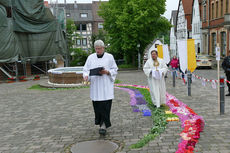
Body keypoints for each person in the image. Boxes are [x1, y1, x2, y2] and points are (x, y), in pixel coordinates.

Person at [83, 40, 118, 135]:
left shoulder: (109, 57)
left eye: (99, 49)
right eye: (96, 49)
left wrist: (107, 72)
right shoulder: (90, 58)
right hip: (96, 87)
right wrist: (86, 76)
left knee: (105, 106)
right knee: (97, 107)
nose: (97, 50)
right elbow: (85, 69)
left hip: (106, 86)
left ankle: (104, 125)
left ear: (103, 48)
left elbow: (115, 69)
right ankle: (100, 123)